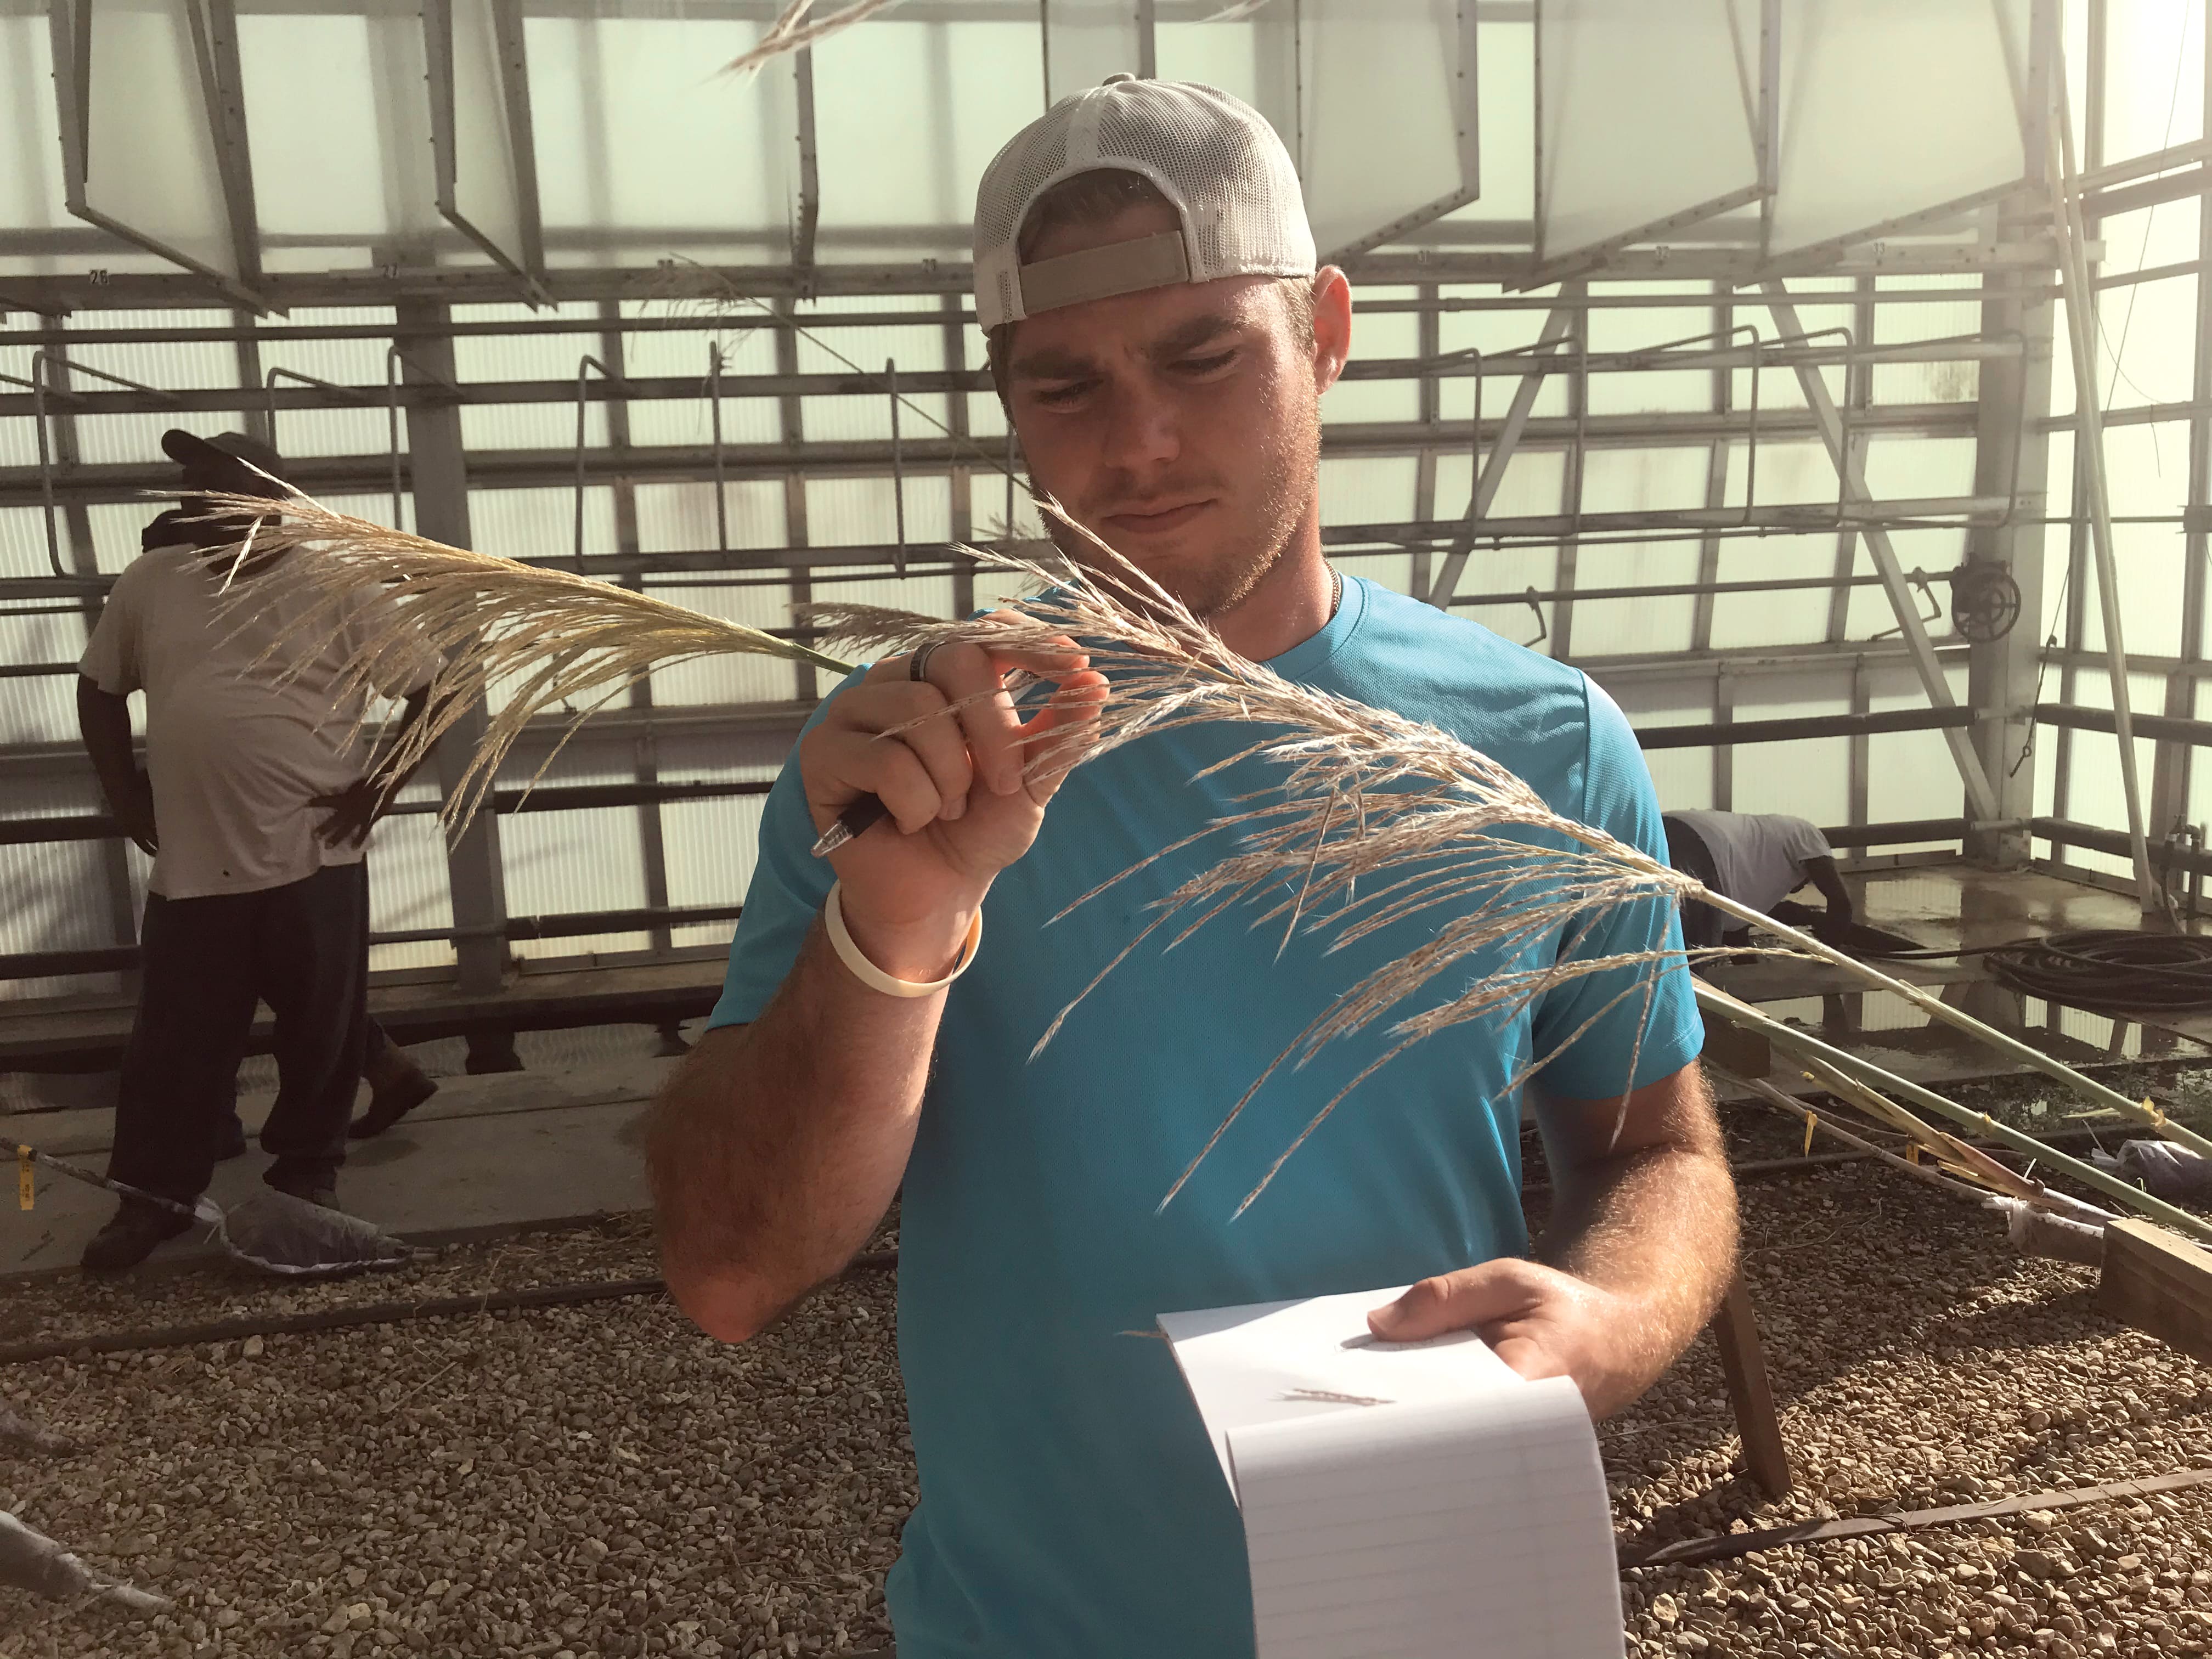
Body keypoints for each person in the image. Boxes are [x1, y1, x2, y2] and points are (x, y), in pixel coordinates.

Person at [650, 78, 1737, 1658]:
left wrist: (1620, 1321)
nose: (1140, 445)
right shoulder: (916, 761)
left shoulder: (1543, 744)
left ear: (1328, 332)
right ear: (1009, 405)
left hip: (1439, 1612)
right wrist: (899, 924)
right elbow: (731, 1275)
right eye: (1066, 386)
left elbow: (1660, 1156)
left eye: (1202, 357)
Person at [76, 430, 437, 1271]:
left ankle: (306, 1177)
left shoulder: (338, 585)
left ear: (269, 500)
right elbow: (98, 691)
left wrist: (378, 789)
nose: (195, 503)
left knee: (321, 1030)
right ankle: (155, 1197)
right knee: (173, 1039)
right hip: (196, 860)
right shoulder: (152, 582)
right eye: (191, 488)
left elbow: (432, 687)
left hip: (315, 852)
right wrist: (124, 792)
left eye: (215, 490)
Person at [1661, 809, 1855, 952]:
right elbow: (1841, 903)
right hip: (1703, 851)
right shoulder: (1809, 834)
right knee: (1690, 963)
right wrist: (1829, 956)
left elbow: (1735, 936)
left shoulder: (1755, 859)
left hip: (1662, 826)